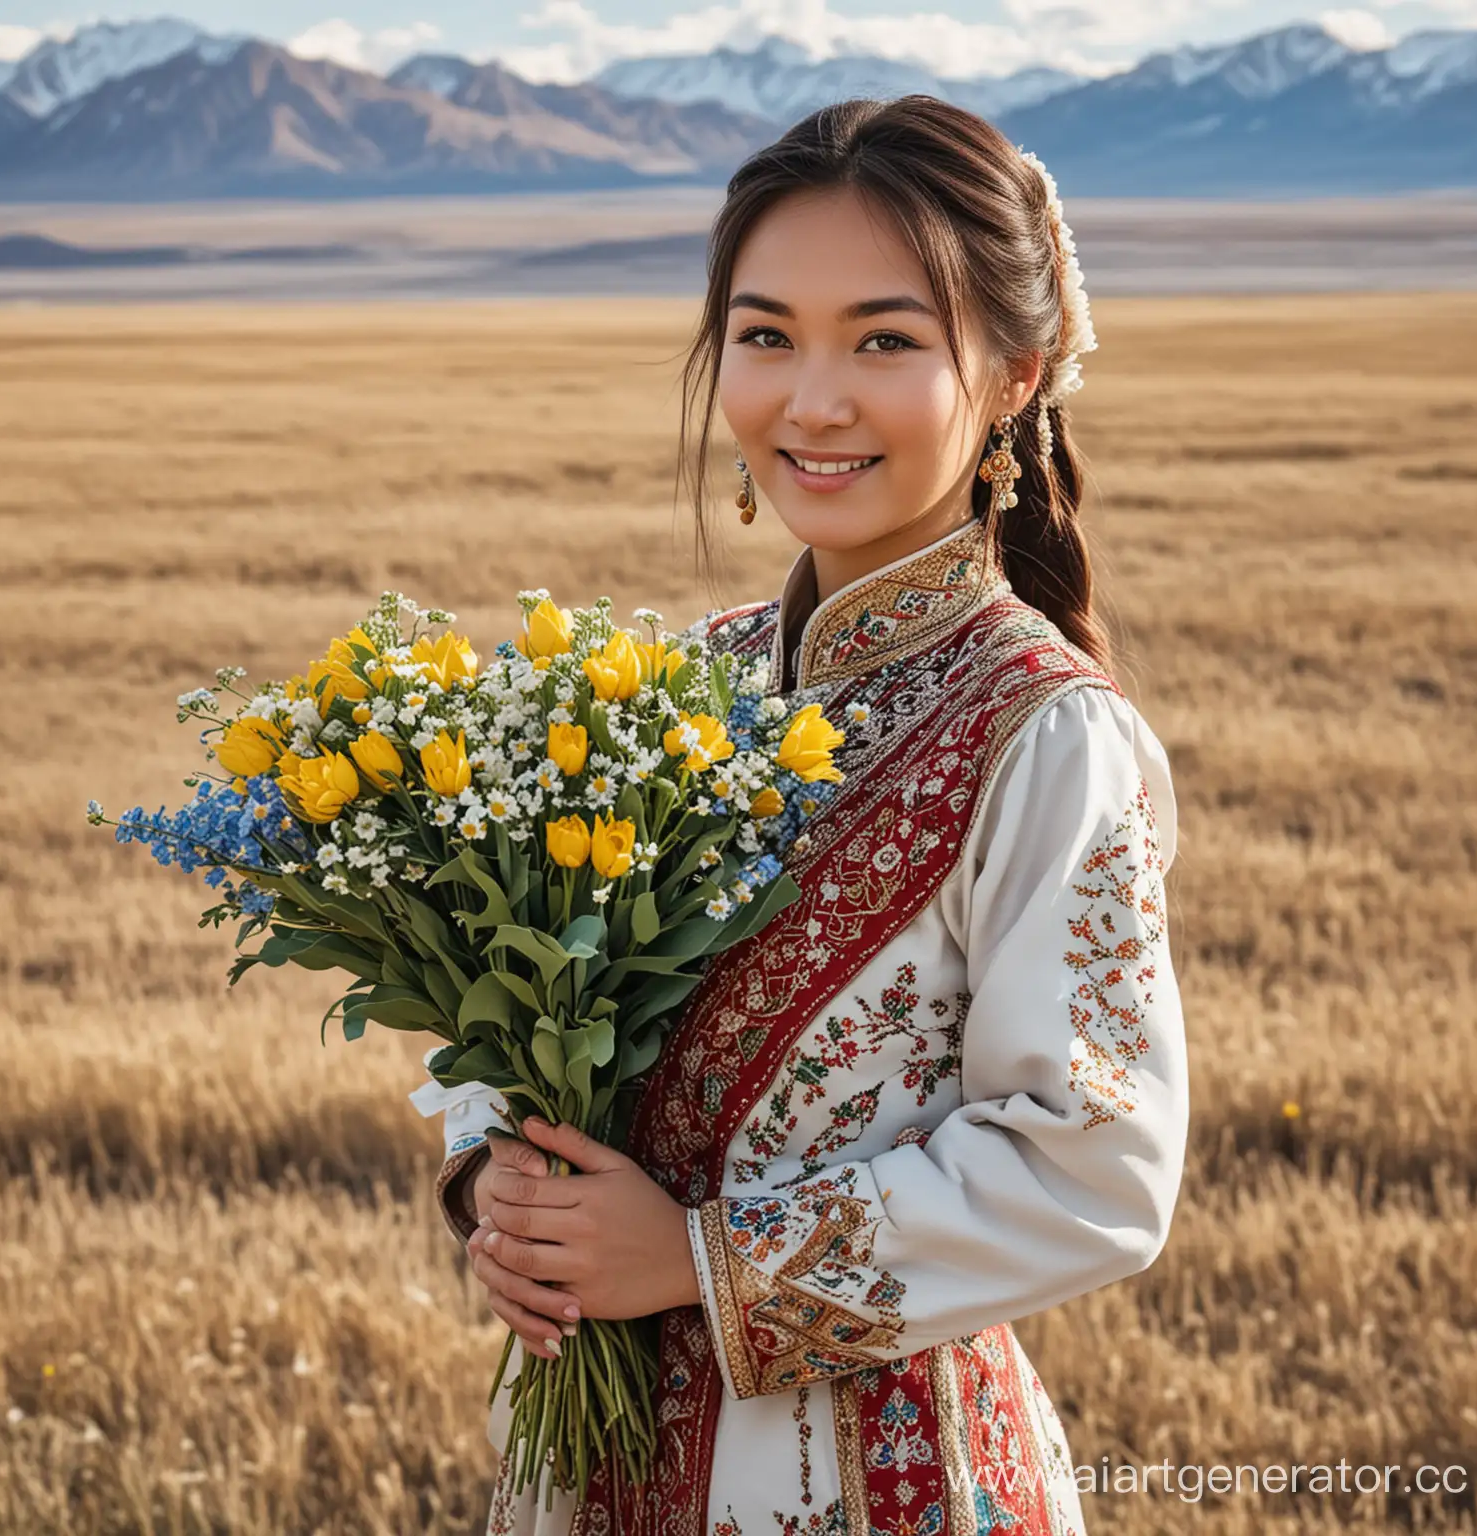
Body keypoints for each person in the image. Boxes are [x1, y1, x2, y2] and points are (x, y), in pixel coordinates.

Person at [409, 94, 1188, 1536]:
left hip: (880, 1481)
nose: (810, 401)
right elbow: (522, 994)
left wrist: (708, 1265)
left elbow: (1098, 1166)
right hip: (587, 1469)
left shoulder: (1046, 733)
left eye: (884, 340)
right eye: (766, 336)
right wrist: (497, 1181)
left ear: (1015, 373)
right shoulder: (675, 687)